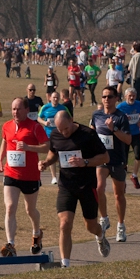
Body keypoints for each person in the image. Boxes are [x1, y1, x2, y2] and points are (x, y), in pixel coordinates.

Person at [39, 111, 111, 265]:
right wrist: (46, 163)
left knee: (91, 226)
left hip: (87, 186)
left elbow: (105, 157)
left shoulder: (88, 134)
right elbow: (53, 153)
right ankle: (65, 264)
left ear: (71, 120)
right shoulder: (56, 135)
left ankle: (100, 235)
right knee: (64, 223)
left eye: (66, 129)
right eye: (60, 129)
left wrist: (84, 162)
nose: (64, 133)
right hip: (66, 186)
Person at [0, 97, 50, 257]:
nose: (15, 112)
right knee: (10, 207)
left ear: (27, 110)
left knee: (30, 210)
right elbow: (4, 142)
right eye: (13, 109)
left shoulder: (34, 127)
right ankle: (11, 243)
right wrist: (0, 160)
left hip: (30, 175)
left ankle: (36, 233)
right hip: (11, 172)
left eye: (18, 109)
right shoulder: (7, 126)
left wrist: (28, 147)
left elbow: (46, 147)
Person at [91, 87, 132, 241]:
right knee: (99, 188)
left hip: (117, 160)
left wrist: (113, 128)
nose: (107, 99)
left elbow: (128, 140)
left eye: (110, 97)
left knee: (118, 194)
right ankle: (104, 218)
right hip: (102, 159)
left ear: (116, 99)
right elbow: (92, 132)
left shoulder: (121, 117)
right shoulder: (96, 115)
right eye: (104, 96)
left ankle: (121, 226)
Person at [117, 88, 140, 189]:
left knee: (138, 155)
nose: (132, 98)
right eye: (130, 96)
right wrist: (123, 119)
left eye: (133, 96)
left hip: (136, 133)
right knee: (124, 159)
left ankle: (134, 175)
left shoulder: (138, 104)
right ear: (125, 96)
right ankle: (122, 180)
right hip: (125, 134)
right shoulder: (120, 107)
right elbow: (115, 119)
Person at [38, 91, 67, 185]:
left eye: (57, 98)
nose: (55, 99)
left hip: (61, 135)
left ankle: (62, 175)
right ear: (50, 98)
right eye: (54, 97)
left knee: (60, 156)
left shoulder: (63, 108)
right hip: (49, 135)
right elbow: (38, 118)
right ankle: (54, 177)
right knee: (51, 155)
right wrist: (44, 123)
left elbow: (70, 119)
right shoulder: (45, 107)